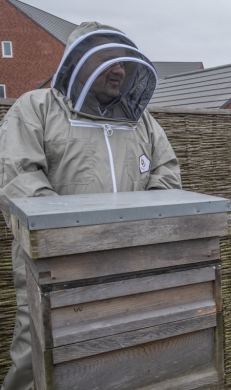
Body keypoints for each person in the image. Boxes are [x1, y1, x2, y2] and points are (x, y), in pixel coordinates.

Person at [0, 22, 181, 390]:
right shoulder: (35, 108)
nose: (119, 69)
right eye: (108, 59)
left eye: (123, 62)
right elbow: (21, 180)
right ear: (78, 60)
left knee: (120, 353)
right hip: (54, 270)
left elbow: (167, 178)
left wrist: (140, 236)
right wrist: (75, 241)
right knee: (37, 356)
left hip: (130, 264)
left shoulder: (141, 120)